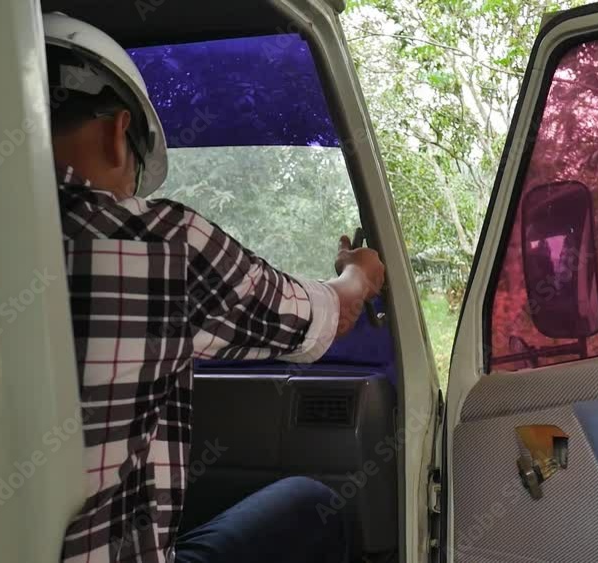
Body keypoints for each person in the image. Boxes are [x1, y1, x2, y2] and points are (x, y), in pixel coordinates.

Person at [42, 13, 385, 563]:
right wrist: (358, 273)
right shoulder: (159, 243)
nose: (132, 192)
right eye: (137, 171)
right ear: (116, 134)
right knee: (311, 501)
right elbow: (325, 317)